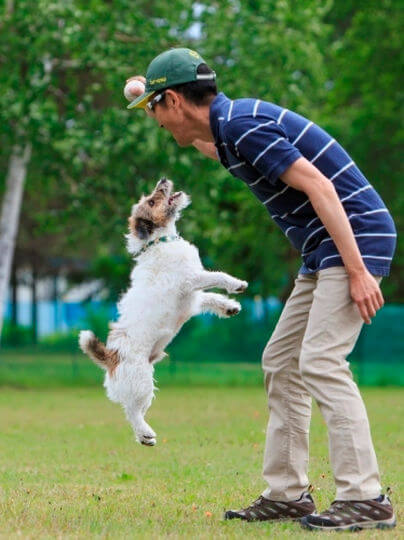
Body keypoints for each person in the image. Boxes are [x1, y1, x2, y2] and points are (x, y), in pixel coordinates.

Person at [126, 47, 397, 532]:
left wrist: (357, 270)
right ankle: (288, 494)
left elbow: (321, 188)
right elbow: (204, 146)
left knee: (321, 360)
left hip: (352, 239)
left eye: (159, 112)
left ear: (175, 101)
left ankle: (365, 497)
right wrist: (146, 95)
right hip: (323, 250)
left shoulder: (245, 126)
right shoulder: (229, 131)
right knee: (281, 361)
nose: (161, 127)